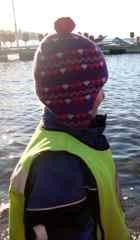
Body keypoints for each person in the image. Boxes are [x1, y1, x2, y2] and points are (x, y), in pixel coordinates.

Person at [8, 17, 129, 240]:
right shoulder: (57, 164)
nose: (104, 96)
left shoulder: (69, 138)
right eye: (99, 89)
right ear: (78, 99)